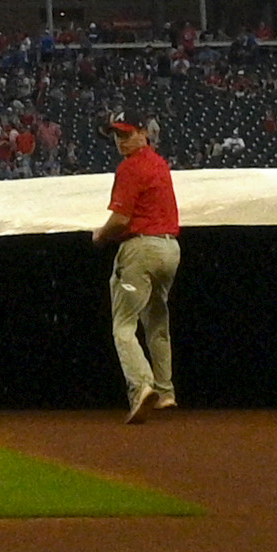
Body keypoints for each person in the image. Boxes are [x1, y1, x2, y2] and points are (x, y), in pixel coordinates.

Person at [96, 108, 182, 421]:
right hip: (170, 249)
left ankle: (142, 386)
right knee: (158, 324)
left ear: (143, 132)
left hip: (141, 248)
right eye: (117, 134)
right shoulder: (160, 164)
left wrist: (100, 236)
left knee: (123, 326)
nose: (121, 140)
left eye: (126, 133)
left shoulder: (130, 168)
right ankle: (166, 391)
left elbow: (120, 220)